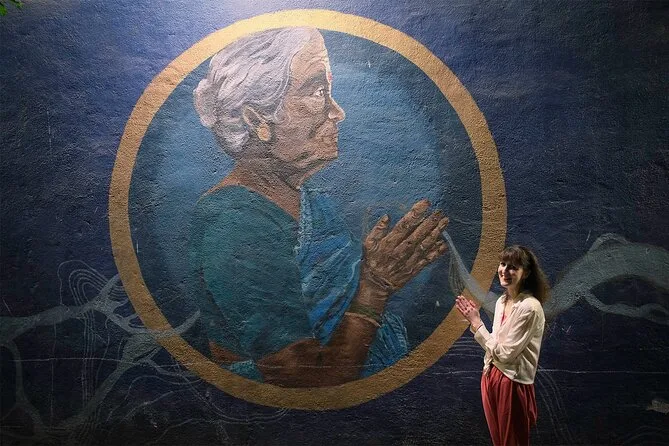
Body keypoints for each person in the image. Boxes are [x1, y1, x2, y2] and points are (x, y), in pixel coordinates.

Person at [190, 27, 450, 387]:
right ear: (256, 120)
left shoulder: (310, 201)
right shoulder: (235, 224)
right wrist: (374, 286)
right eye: (317, 92)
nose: (337, 112)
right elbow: (304, 380)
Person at [456, 245, 550, 446]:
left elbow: (506, 354)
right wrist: (477, 323)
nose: (504, 270)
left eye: (513, 267)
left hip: (512, 382)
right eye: (503, 264)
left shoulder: (530, 307)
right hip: (490, 374)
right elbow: (496, 344)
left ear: (526, 273)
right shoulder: (501, 301)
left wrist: (477, 324)